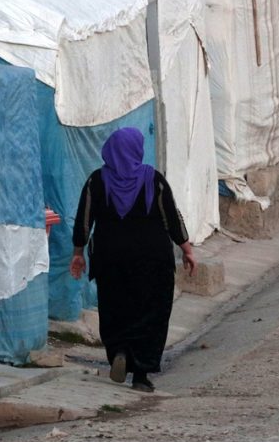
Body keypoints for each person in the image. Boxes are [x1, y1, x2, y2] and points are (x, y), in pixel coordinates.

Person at [70, 127, 196, 393]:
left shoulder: (96, 181)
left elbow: (84, 218)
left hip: (110, 259)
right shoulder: (154, 180)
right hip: (153, 260)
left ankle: (120, 351)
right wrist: (186, 249)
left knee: (115, 308)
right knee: (151, 312)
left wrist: (78, 253)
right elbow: (172, 217)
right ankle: (141, 373)